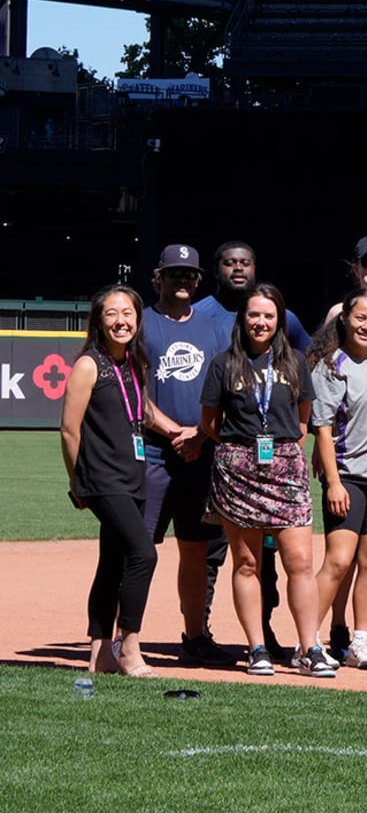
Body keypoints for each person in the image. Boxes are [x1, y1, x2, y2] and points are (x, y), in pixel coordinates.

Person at [199, 284, 327, 677]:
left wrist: (280, 452)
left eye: (269, 316)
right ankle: (256, 647)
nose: (261, 322)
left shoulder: (295, 364)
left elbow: (304, 421)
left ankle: (311, 647)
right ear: (243, 319)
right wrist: (241, 451)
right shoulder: (224, 363)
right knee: (248, 562)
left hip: (285, 465)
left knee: (300, 561)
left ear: (280, 321)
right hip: (237, 465)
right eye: (254, 314)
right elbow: (209, 423)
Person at [62, 285, 178, 677]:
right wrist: (78, 482)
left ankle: (99, 653)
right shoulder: (88, 365)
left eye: (127, 313)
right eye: (111, 313)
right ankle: (129, 646)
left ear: (137, 319)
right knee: (143, 554)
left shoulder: (134, 364)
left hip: (133, 476)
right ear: (98, 321)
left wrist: (179, 431)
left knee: (111, 563)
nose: (120, 320)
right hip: (102, 480)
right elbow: (69, 430)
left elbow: (142, 412)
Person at [136, 244, 229, 666]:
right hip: (154, 453)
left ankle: (195, 637)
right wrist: (176, 431)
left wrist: (200, 435)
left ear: (197, 280)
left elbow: (227, 389)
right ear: (158, 276)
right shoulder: (142, 323)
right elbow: (132, 389)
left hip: (202, 455)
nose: (182, 281)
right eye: (174, 273)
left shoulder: (212, 329)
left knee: (196, 550)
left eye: (188, 275)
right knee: (139, 550)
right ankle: (126, 639)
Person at [307, 292, 367, 671]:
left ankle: (361, 641)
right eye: (360, 318)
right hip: (349, 478)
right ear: (345, 319)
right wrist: (333, 482)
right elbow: (323, 430)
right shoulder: (332, 367)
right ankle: (307, 638)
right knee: (339, 561)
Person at [197, 241, 313, 350]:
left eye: (245, 263)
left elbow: (311, 357)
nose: (238, 268)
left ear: (254, 269)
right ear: (216, 271)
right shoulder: (198, 315)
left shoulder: (281, 316)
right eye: (229, 263)